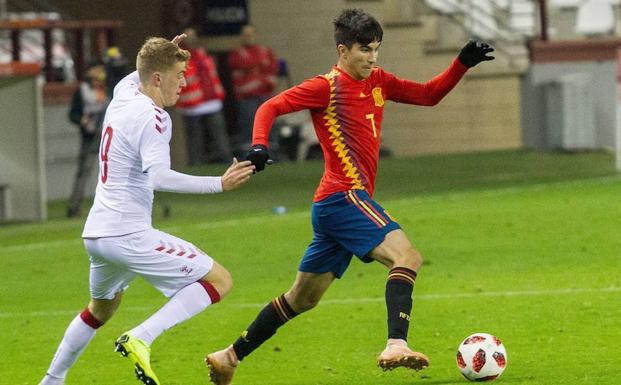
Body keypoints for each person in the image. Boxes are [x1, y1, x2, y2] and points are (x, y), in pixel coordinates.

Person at [206, 8, 494, 384]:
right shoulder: (326, 86)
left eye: (376, 49)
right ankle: (396, 343)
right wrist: (259, 145)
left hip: (332, 207)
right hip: (344, 196)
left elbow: (428, 95)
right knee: (407, 256)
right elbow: (269, 106)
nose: (372, 58)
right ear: (343, 50)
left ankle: (229, 356)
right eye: (364, 50)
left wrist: (461, 64)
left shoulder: (379, 80)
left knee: (302, 299)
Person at [39, 34, 255, 385]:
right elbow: (158, 176)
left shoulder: (123, 94)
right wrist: (219, 183)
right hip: (127, 234)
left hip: (97, 235)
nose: (185, 82)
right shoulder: (154, 117)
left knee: (100, 309)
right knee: (220, 280)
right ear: (157, 78)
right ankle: (141, 336)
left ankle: (51, 380)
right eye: (180, 74)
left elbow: (141, 66)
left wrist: (164, 49)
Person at [177, 28, 232, 165]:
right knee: (195, 137)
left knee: (219, 133)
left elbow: (211, 75)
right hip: (192, 104)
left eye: (193, 36)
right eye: (188, 36)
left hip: (211, 100)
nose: (191, 39)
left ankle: (227, 161)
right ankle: (195, 164)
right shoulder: (179, 57)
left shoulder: (203, 53)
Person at [227, 24, 278, 156]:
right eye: (245, 34)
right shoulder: (237, 54)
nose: (248, 37)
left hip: (265, 95)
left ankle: (272, 154)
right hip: (247, 97)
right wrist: (259, 67)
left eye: (251, 33)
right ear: (241, 37)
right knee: (249, 126)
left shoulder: (265, 51)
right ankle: (249, 156)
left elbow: (272, 68)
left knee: (269, 125)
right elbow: (242, 64)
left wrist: (255, 70)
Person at [67, 64, 109, 218]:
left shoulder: (108, 88)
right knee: (84, 171)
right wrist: (81, 120)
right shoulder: (82, 90)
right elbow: (72, 114)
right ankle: (74, 205)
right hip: (90, 136)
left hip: (108, 135)